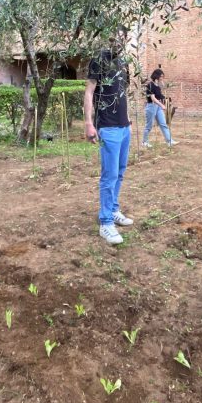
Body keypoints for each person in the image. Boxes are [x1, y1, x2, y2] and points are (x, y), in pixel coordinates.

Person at [84, 29, 134, 245]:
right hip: (108, 127)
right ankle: (105, 223)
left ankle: (113, 210)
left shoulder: (123, 62)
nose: (120, 41)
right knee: (109, 175)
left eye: (124, 37)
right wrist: (88, 123)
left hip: (124, 127)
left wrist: (129, 121)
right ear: (110, 38)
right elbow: (89, 92)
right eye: (116, 37)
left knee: (120, 173)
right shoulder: (99, 59)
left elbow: (123, 93)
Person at [141, 69, 178, 148]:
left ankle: (169, 141)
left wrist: (166, 99)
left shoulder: (157, 85)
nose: (162, 78)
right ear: (156, 75)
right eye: (161, 76)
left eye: (162, 76)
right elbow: (153, 98)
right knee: (149, 125)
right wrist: (162, 105)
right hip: (151, 106)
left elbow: (160, 94)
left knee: (163, 124)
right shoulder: (150, 85)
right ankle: (144, 142)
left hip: (158, 107)